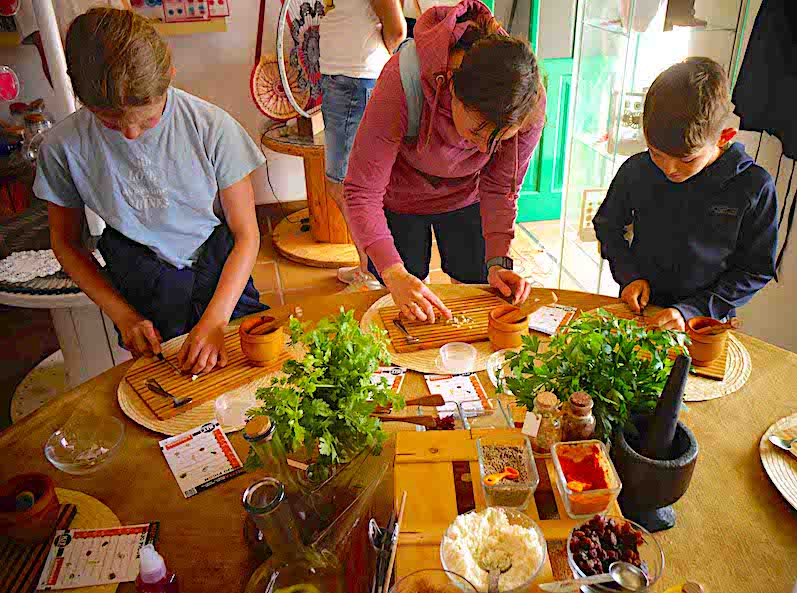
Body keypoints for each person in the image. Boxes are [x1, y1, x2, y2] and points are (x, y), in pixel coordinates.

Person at [35, 8, 268, 375]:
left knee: (241, 373)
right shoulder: (63, 148)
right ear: (80, 95)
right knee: (164, 381)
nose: (130, 133)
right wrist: (123, 316)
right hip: (138, 275)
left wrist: (216, 321)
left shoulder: (211, 129)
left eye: (147, 119)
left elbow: (246, 235)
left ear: (169, 79)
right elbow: (66, 244)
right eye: (109, 121)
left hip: (221, 268)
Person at [344, 0, 547, 322]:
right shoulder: (402, 79)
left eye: (499, 140)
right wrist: (394, 272)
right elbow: (361, 191)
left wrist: (498, 260)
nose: (483, 150)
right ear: (452, 89)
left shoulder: (526, 106)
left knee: (477, 291)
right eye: (476, 131)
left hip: (469, 199)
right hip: (400, 199)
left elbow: (499, 188)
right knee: (404, 300)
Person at [593, 57, 777, 331]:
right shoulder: (637, 169)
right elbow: (607, 225)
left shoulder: (753, 186)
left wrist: (695, 309)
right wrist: (629, 275)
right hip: (642, 308)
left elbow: (755, 269)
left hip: (706, 319)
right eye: (656, 153)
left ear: (724, 137)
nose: (669, 169)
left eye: (687, 160)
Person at [319, 0, 405, 292]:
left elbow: (397, 30)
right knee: (347, 185)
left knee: (345, 185)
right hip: (346, 79)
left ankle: (373, 273)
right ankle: (368, 267)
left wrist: (370, 60)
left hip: (355, 80)